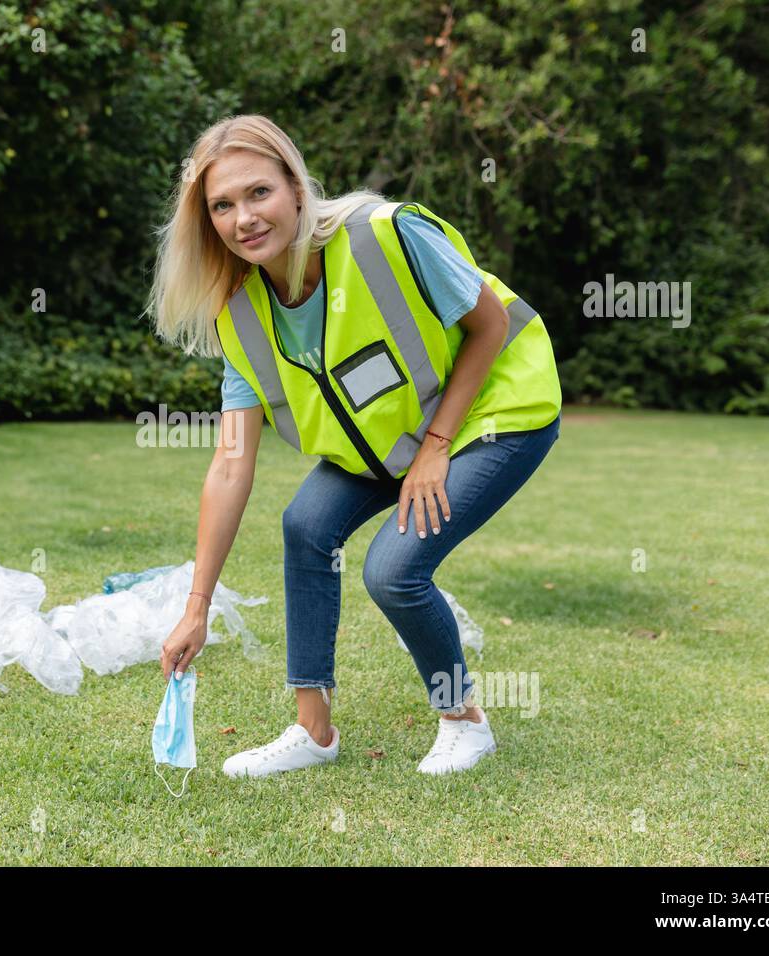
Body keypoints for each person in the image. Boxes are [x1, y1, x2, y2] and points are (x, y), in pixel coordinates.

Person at [143, 114, 562, 778]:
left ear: (295, 185)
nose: (244, 218)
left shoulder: (386, 235)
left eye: (259, 193)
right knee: (306, 526)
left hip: (498, 411)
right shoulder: (241, 316)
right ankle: (314, 732)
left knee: (394, 571)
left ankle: (464, 720)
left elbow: (489, 325)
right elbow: (230, 462)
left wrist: (438, 446)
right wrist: (196, 609)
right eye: (222, 205)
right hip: (391, 442)